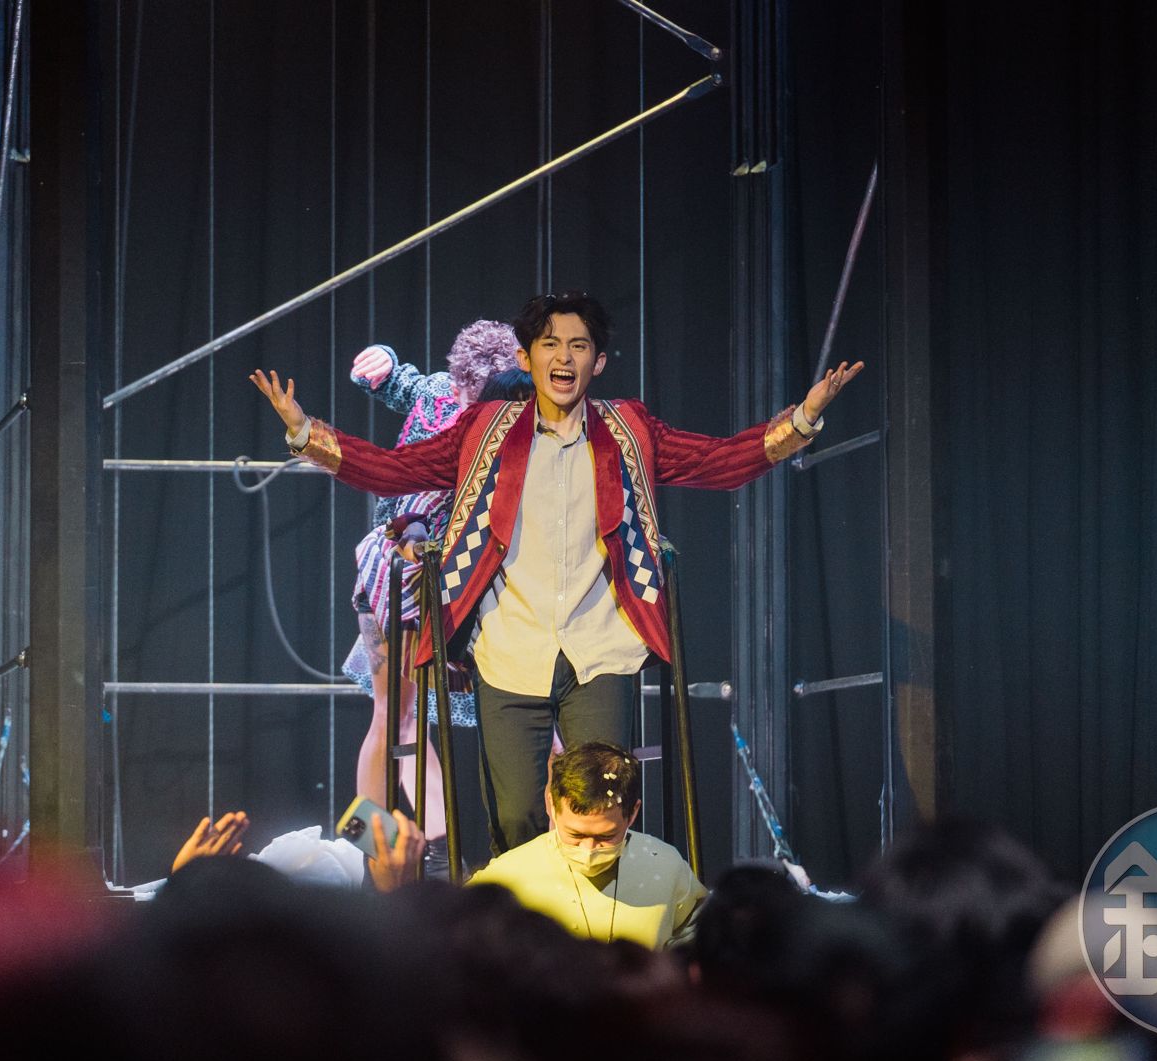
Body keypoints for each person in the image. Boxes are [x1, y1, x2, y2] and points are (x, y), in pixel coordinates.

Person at [252, 290, 863, 854]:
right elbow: (396, 468)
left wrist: (800, 422)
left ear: (598, 361)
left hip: (594, 643)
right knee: (447, 760)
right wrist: (307, 432)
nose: (564, 358)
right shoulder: (475, 424)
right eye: (550, 345)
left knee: (590, 792)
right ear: (525, 357)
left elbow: (717, 461)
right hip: (461, 613)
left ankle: (575, 902)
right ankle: (392, 854)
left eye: (578, 346)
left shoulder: (625, 429)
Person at [342, 325, 520, 860]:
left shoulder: (510, 425)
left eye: (476, 398)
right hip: (393, 573)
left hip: (465, 584)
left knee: (527, 715)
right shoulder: (440, 392)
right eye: (461, 391)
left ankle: (509, 849)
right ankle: (377, 851)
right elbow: (396, 381)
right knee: (393, 716)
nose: (463, 402)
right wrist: (379, 359)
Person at [371, 742, 703, 951]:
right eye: (574, 835)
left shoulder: (665, 864)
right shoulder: (509, 875)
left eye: (606, 837)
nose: (589, 849)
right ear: (551, 806)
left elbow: (698, 939)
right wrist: (394, 887)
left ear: (633, 813)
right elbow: (443, 944)